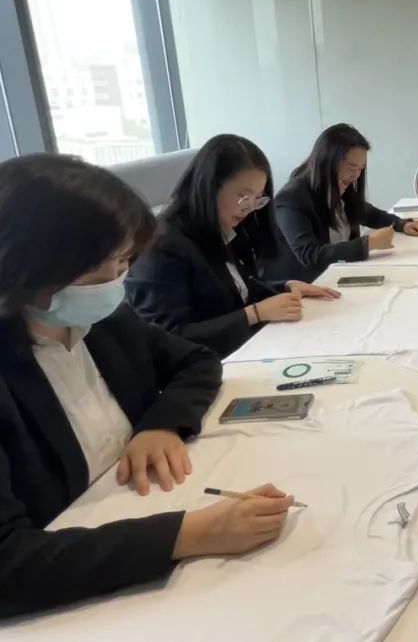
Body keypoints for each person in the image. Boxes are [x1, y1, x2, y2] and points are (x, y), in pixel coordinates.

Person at [0, 154, 296, 618]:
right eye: (107, 266)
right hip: (71, 592)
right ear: (32, 267)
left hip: (137, 508)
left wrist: (161, 424)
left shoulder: (104, 319)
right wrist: (192, 534)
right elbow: (9, 563)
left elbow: (196, 361)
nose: (119, 279)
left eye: (125, 261)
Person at [126, 135, 339, 357]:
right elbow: (169, 337)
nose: (250, 208)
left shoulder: (221, 226)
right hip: (204, 364)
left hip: (243, 349)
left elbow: (236, 291)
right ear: (209, 186)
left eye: (258, 198)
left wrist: (285, 286)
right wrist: (254, 314)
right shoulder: (161, 246)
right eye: (243, 196)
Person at [271, 124, 418, 282]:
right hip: (308, 284)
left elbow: (368, 213)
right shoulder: (291, 199)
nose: (356, 175)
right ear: (328, 162)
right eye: (352, 168)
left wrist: (401, 224)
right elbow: (310, 255)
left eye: (361, 168)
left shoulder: (341, 185)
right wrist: (367, 243)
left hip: (339, 273)